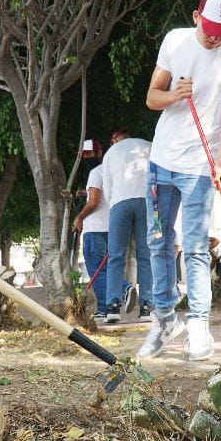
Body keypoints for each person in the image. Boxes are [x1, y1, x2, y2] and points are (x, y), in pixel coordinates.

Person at [138, 0, 221, 361]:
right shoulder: (176, 42)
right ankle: (164, 319)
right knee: (157, 242)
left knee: (196, 247)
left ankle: (199, 324)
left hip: (201, 168)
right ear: (195, 17)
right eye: (208, 27)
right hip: (161, 163)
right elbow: (151, 97)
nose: (213, 36)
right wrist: (174, 95)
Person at [100, 128, 153, 322]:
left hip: (120, 203)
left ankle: (113, 307)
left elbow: (107, 189)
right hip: (148, 203)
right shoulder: (150, 146)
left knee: (116, 256)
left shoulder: (110, 153)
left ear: (116, 141)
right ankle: (147, 306)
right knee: (146, 256)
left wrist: (116, 203)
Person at [71, 140, 110, 320]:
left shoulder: (95, 172)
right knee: (108, 267)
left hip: (95, 228)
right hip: (111, 226)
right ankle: (112, 306)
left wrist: (79, 217)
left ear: (99, 153)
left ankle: (105, 307)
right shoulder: (110, 171)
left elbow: (94, 202)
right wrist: (85, 194)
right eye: (84, 155)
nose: (87, 157)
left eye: (90, 154)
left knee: (96, 269)